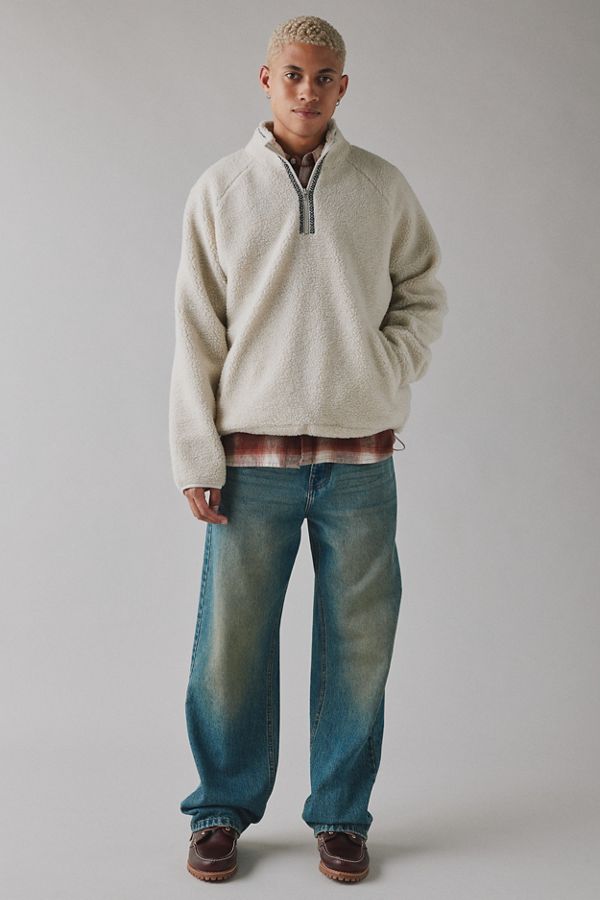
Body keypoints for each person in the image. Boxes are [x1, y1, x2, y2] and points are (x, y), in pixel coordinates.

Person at [168, 14, 448, 883]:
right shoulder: (220, 189)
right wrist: (195, 455)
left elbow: (422, 292)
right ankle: (220, 809)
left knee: (359, 645)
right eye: (293, 73)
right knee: (231, 647)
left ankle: (340, 817)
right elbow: (196, 328)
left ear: (343, 86)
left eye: (324, 76)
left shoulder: (382, 187)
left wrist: (385, 369)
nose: (308, 89)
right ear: (266, 79)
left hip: (360, 462)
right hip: (250, 464)